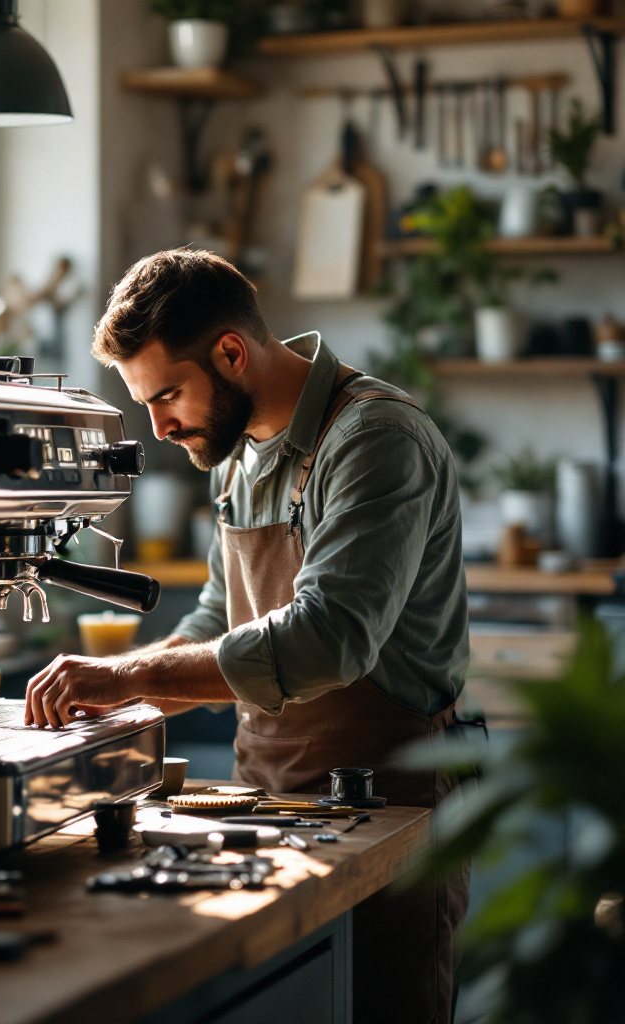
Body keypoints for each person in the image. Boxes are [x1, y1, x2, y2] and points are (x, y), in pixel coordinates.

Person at [24, 248, 470, 1024]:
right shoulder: (234, 455)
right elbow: (217, 619)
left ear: (231, 353)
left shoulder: (374, 438)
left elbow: (327, 640)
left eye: (167, 396)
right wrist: (120, 708)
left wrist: (127, 677)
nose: (159, 428)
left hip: (389, 806)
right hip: (264, 796)